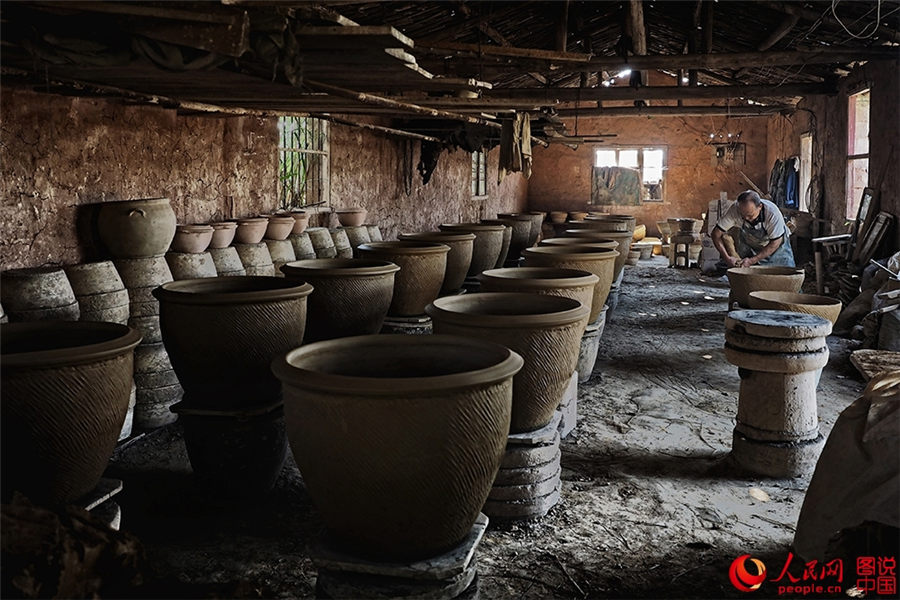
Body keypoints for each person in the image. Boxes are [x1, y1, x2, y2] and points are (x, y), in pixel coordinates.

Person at [712, 190, 796, 268]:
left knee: (784, 274)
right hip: (751, 245)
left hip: (776, 247)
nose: (746, 218)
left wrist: (752, 260)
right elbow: (716, 234)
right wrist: (727, 258)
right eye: (743, 216)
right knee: (746, 274)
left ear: (760, 207)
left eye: (750, 215)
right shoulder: (735, 210)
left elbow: (775, 243)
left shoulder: (772, 214)